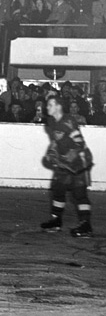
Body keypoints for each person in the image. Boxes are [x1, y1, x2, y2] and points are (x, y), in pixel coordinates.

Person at [40, 94, 94, 237]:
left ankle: (85, 225)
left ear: (58, 106)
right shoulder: (51, 122)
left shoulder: (69, 121)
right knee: (58, 190)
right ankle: (56, 221)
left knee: (79, 194)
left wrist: (68, 159)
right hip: (64, 163)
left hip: (79, 161)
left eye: (50, 105)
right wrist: (50, 152)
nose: (47, 107)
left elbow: (79, 143)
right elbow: (55, 141)